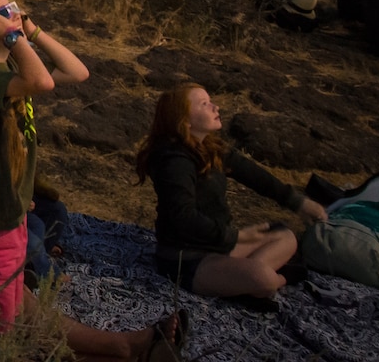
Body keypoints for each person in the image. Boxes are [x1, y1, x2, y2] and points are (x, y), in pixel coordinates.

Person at [0, 0, 182, 357]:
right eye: (4, 13)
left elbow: (78, 72)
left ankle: (123, 347)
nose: (14, 17)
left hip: (8, 218)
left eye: (14, 8)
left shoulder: (9, 74)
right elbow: (42, 81)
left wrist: (30, 30)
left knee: (17, 312)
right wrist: (13, 37)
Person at [134, 83, 327, 306]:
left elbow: (253, 175)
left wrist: (298, 203)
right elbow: (183, 217)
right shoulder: (174, 162)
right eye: (204, 104)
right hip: (187, 259)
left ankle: (242, 283)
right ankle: (278, 279)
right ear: (184, 120)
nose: (216, 107)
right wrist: (235, 237)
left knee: (286, 237)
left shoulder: (209, 147)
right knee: (264, 279)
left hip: (220, 247)